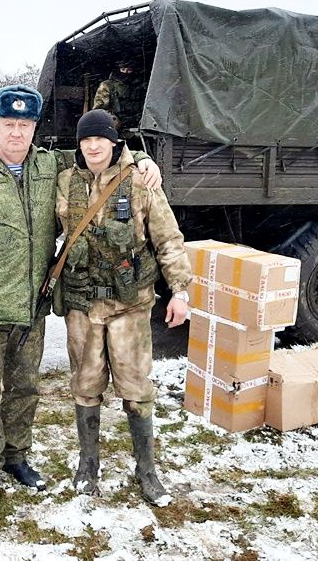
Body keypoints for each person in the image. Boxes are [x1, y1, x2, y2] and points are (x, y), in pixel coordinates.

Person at [0, 85, 164, 512]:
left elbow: (102, 159)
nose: (16, 133)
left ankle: (17, 456)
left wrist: (144, 160)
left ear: (35, 127)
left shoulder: (48, 165)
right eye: (8, 124)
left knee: (24, 388)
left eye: (24, 125)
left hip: (31, 305)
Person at [55, 109, 192, 504]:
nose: (93, 145)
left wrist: (180, 291)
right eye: (86, 139)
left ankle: (146, 470)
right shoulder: (65, 182)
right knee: (85, 385)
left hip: (129, 304)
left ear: (115, 141)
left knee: (136, 388)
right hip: (82, 303)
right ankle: (88, 464)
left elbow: (168, 240)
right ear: (78, 144)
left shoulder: (140, 182)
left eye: (101, 138)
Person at [91, 62, 145, 138]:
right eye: (123, 69)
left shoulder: (139, 86)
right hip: (116, 124)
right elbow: (99, 110)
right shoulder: (107, 85)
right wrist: (113, 119)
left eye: (129, 70)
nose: (126, 72)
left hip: (136, 123)